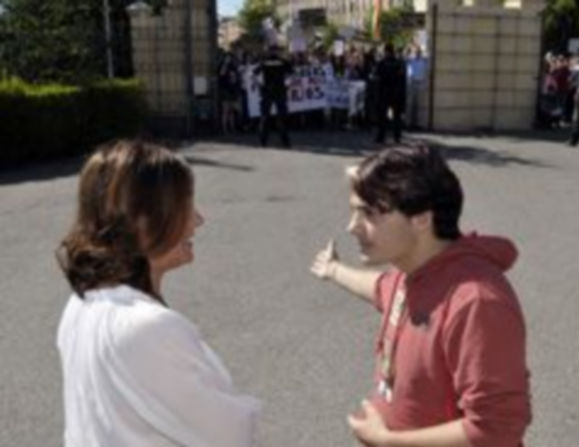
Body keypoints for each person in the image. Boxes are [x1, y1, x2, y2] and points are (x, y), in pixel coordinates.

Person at [310, 145, 531, 446]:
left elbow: (497, 429)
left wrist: (388, 441)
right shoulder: (412, 271)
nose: (352, 227)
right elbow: (380, 288)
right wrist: (334, 270)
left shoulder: (475, 302)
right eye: (354, 211)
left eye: (369, 213)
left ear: (422, 219)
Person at [56, 140, 261, 446]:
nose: (198, 220)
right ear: (142, 221)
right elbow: (230, 434)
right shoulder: (148, 328)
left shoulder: (81, 305)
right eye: (185, 207)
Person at [255, 44, 293, 148]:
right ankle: (285, 141)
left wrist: (261, 85)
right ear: (277, 51)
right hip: (280, 91)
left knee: (265, 117)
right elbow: (291, 72)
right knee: (281, 117)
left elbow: (255, 73)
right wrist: (286, 85)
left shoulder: (264, 62)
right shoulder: (282, 61)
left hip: (266, 91)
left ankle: (263, 141)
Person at [375, 43, 407, 144]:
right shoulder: (399, 63)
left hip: (384, 92)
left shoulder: (382, 63)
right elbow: (402, 79)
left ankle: (381, 137)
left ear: (386, 51)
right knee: (396, 116)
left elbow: (377, 76)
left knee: (382, 116)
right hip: (396, 92)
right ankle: (397, 137)